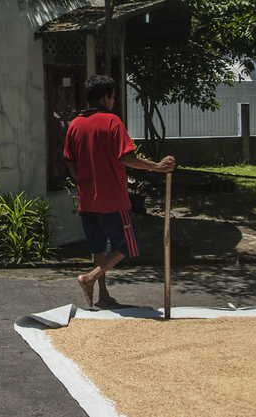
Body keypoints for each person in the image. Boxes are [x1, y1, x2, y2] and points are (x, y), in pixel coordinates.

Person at [63, 74, 175, 309]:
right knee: (126, 246)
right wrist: (157, 167)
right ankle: (90, 278)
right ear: (105, 97)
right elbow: (126, 157)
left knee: (98, 250)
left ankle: (103, 296)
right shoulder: (112, 122)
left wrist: (82, 182)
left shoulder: (75, 125)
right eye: (113, 97)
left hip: (87, 201)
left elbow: (70, 162)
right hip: (112, 199)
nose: (114, 101)